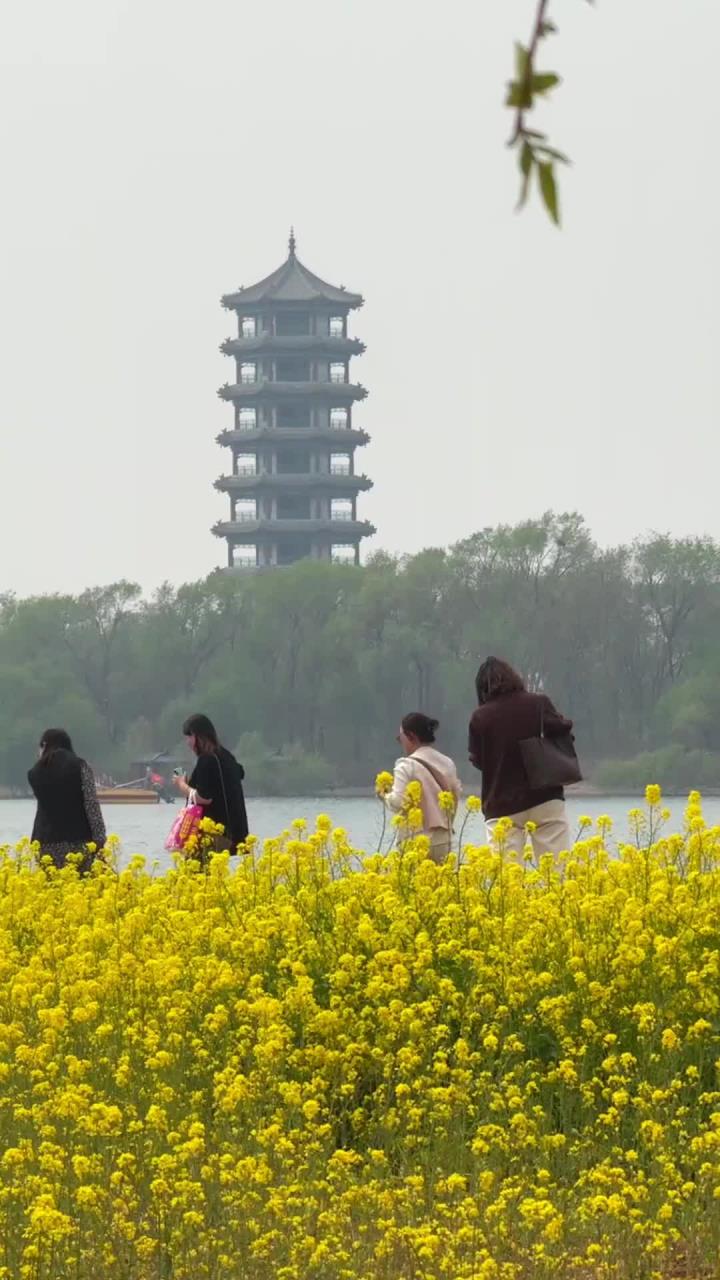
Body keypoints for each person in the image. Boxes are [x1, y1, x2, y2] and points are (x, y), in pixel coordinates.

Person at [468, 656, 573, 856]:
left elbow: (478, 760)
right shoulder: (539, 703)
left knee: (507, 878)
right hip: (545, 797)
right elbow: (563, 730)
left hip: (502, 802)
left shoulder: (480, 716)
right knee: (557, 872)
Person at [385, 712, 461, 863]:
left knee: (414, 884)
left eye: (400, 738)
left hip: (414, 839)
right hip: (442, 839)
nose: (401, 742)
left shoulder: (405, 765)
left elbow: (399, 803)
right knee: (441, 884)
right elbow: (454, 800)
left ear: (411, 736)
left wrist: (384, 795)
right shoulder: (448, 763)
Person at [27, 728, 106, 871]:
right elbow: (91, 804)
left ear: (44, 745)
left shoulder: (35, 773)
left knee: (53, 889)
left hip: (44, 844)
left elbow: (43, 810)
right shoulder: (80, 766)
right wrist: (100, 839)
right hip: (79, 841)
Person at [174, 714, 248, 853]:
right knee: (216, 873)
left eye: (189, 737)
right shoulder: (226, 756)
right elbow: (238, 774)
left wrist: (181, 784)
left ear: (198, 737)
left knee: (195, 873)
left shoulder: (206, 760)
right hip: (233, 833)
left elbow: (204, 798)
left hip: (212, 835)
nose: (187, 742)